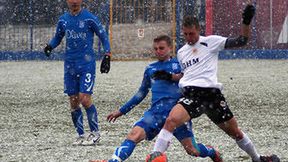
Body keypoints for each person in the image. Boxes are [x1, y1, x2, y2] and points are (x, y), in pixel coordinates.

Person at [148, 4, 280, 162]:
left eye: (192, 34)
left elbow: (242, 41)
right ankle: (156, 156)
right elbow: (185, 74)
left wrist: (246, 22)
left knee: (235, 133)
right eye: (185, 34)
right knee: (171, 120)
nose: (189, 38)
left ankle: (257, 159)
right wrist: (169, 76)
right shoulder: (182, 52)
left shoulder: (211, 42)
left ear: (199, 30)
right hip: (191, 95)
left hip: (212, 95)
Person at [91, 35, 222, 162]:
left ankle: (211, 151)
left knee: (193, 150)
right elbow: (141, 93)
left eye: (161, 48)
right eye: (155, 48)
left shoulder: (181, 65)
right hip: (155, 114)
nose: (158, 51)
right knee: (134, 135)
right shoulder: (150, 69)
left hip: (177, 115)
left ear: (171, 48)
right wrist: (121, 111)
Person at [43, 0, 111, 146]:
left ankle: (95, 133)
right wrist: (50, 46)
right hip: (69, 65)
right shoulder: (63, 20)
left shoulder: (89, 18)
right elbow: (58, 37)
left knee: (84, 99)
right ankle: (80, 135)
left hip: (86, 64)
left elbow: (103, 36)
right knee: (73, 102)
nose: (74, 1)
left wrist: (107, 55)